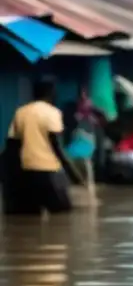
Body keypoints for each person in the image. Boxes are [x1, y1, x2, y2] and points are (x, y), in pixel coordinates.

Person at [3, 78, 83, 215]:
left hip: (25, 172)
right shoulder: (52, 113)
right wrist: (73, 173)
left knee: (29, 217)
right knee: (63, 217)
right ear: (51, 93)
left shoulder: (20, 112)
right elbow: (57, 145)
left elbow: (12, 145)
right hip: (48, 171)